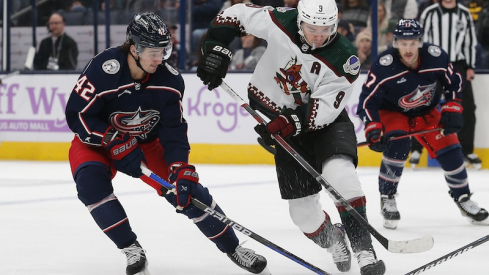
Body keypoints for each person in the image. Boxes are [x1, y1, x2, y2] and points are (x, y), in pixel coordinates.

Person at [65, 12, 270, 275]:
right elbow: (77, 114)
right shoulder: (103, 69)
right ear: (133, 47)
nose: (158, 58)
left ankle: (233, 248)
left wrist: (179, 165)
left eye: (163, 50)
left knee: (188, 192)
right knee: (90, 185)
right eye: (151, 51)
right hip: (99, 141)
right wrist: (111, 138)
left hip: (148, 144)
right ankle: (131, 248)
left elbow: (173, 131)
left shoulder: (170, 81)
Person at [197, 1, 386, 274]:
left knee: (341, 176)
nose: (319, 35)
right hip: (279, 123)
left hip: (325, 125)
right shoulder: (281, 20)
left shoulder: (345, 57)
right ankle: (335, 242)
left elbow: (324, 108)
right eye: (312, 28)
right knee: (304, 216)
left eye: (326, 29)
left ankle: (364, 252)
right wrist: (217, 48)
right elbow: (234, 14)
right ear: (300, 21)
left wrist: (290, 121)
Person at [356, 19, 489, 230]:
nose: (408, 48)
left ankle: (463, 198)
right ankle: (387, 196)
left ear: (420, 42)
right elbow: (367, 101)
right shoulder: (384, 65)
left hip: (426, 112)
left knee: (452, 149)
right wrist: (373, 127)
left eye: (413, 42)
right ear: (395, 42)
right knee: (398, 145)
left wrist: (452, 108)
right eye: (403, 42)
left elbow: (454, 82)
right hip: (392, 112)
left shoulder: (436, 56)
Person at [420, 0, 481, 169]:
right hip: (434, 65)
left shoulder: (464, 13)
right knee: (421, 104)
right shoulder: (429, 13)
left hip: (458, 65)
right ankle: (416, 148)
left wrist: (469, 66)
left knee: (467, 107)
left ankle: (467, 149)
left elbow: (469, 42)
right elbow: (421, 40)